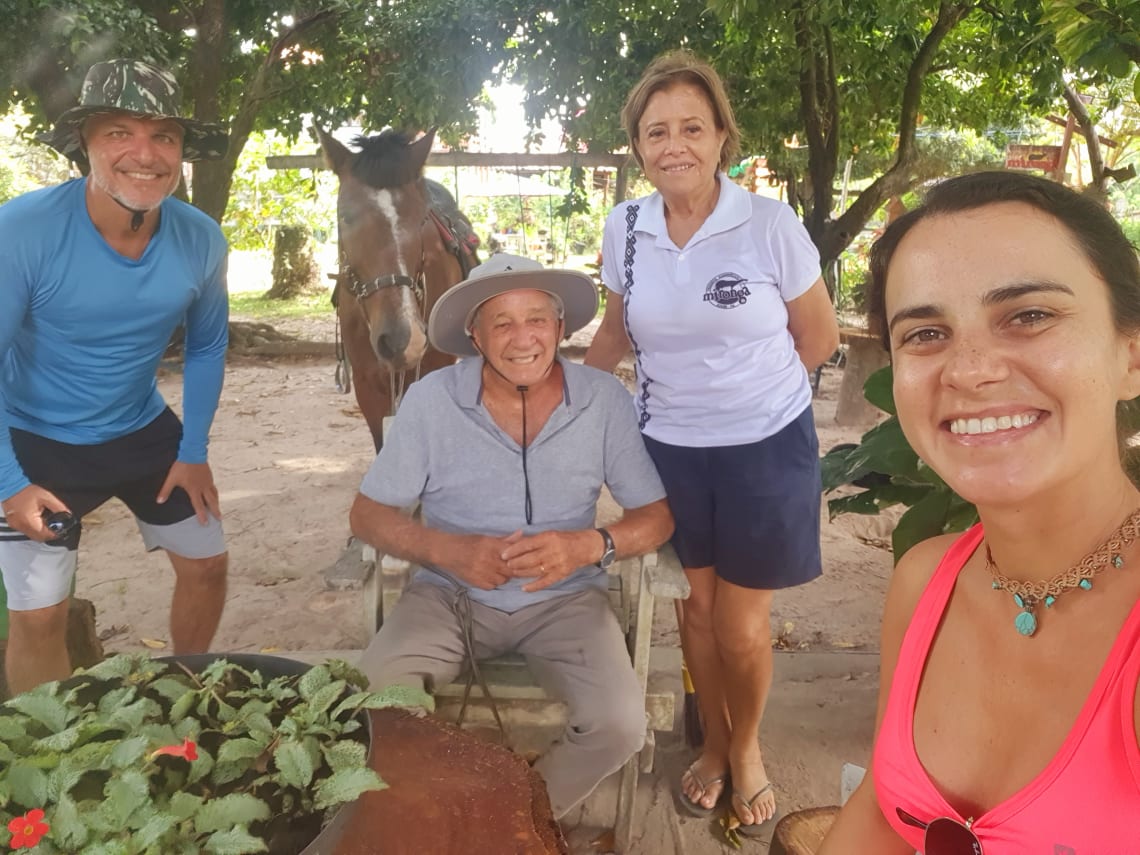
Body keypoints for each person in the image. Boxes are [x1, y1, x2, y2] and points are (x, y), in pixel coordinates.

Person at [819, 171, 1140, 853]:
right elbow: (881, 810)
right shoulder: (926, 578)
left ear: (1131, 352)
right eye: (926, 332)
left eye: (1028, 316)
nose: (968, 369)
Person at [583, 50, 840, 835]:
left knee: (740, 624)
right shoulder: (624, 226)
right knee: (695, 613)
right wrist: (568, 406)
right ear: (638, 147)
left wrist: (749, 402)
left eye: (692, 126)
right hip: (669, 449)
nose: (675, 144)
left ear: (723, 136)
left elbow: (819, 335)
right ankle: (718, 742)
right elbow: (616, 329)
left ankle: (746, 745)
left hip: (765, 446)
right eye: (657, 131)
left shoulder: (768, 224)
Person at [349, 252, 674, 818]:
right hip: (447, 597)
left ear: (560, 328)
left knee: (621, 725)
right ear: (474, 335)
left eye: (536, 319)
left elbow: (656, 517)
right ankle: (437, 811)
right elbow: (368, 516)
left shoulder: (604, 401)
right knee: (377, 703)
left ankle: (508, 820)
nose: (521, 338)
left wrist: (587, 546)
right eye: (501, 322)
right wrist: (448, 550)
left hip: (566, 600)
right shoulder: (431, 400)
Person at [0, 59, 230, 695]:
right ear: (85, 144)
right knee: (40, 615)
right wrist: (9, 484)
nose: (144, 153)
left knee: (208, 564)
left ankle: (188, 693)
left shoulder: (201, 238)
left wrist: (194, 451)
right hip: (34, 439)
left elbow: (208, 344)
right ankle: (48, 758)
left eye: (164, 136)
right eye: (118, 133)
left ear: (182, 151)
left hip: (141, 428)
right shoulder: (22, 231)